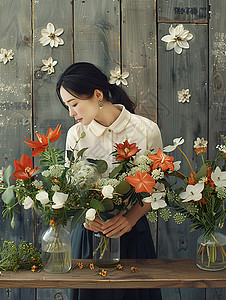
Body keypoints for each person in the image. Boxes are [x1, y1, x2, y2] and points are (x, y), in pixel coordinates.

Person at [56, 62, 162, 300]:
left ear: (98, 95)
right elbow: (71, 190)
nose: (71, 113)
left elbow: (157, 189)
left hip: (133, 233)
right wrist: (86, 217)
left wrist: (129, 219)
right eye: (67, 106)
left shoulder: (145, 130)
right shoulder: (75, 135)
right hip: (89, 235)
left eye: (74, 104)